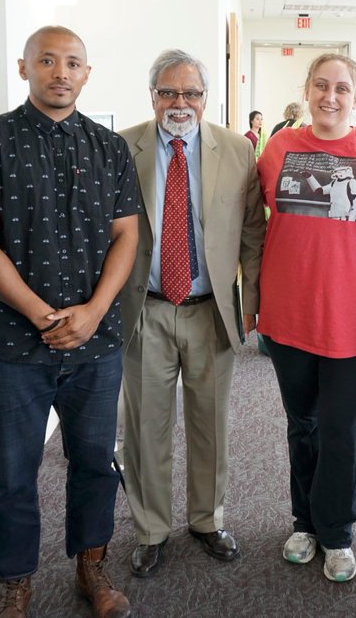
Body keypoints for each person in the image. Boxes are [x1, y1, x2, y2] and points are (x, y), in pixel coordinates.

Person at [0, 26, 140, 618]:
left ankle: (92, 567)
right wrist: (39, 312)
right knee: (14, 472)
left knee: (94, 462)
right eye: (48, 61)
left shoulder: (110, 147)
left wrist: (91, 312)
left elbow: (127, 235)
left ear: (88, 73)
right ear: (24, 67)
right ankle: (16, 584)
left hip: (95, 343)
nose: (61, 72)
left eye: (74, 63)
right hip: (13, 344)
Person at [118, 49, 264, 578]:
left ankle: (207, 519)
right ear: (152, 95)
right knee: (145, 427)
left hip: (209, 311)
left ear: (207, 98)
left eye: (192, 93)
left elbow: (252, 230)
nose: (181, 103)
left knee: (211, 424)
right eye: (169, 92)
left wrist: (252, 303)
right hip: (146, 309)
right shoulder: (122, 147)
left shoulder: (235, 149)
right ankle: (151, 529)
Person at [257, 52, 356, 582]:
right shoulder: (278, 149)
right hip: (290, 311)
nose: (330, 96)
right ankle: (305, 522)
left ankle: (336, 533)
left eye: (342, 87)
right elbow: (255, 223)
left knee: (342, 427)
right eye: (321, 86)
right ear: (307, 89)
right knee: (303, 424)